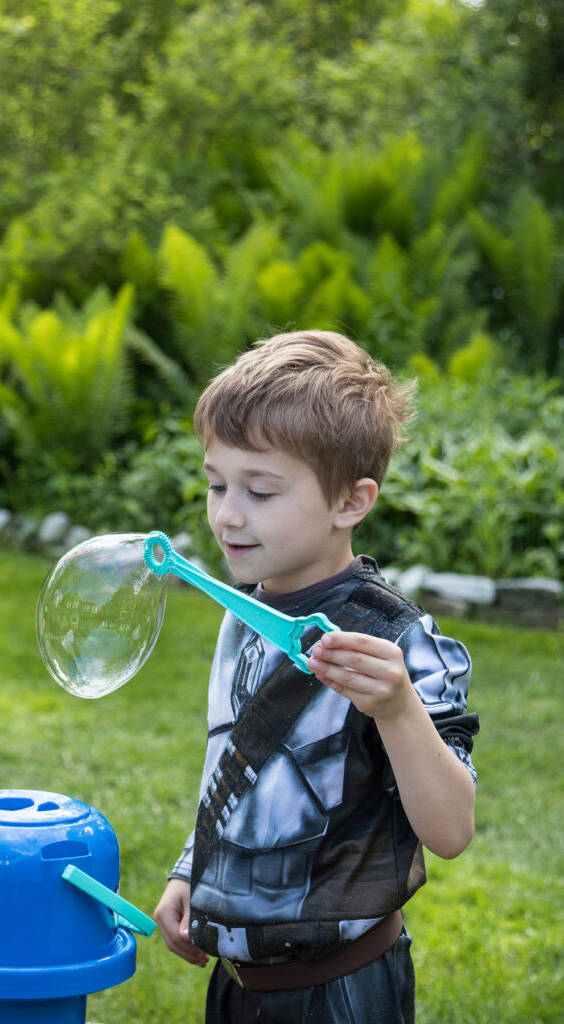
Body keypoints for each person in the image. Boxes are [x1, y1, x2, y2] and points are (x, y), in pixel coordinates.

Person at [154, 330, 479, 1024]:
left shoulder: (393, 643)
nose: (227, 514)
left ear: (350, 502)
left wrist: (396, 710)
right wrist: (193, 870)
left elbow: (450, 831)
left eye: (260, 491)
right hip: (239, 986)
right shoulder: (243, 611)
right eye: (216, 484)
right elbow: (240, 770)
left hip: (342, 991)